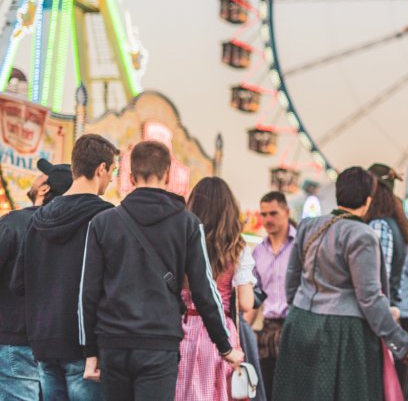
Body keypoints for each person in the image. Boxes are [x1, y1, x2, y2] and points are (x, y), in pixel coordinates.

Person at [78, 140, 243, 400]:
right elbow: (203, 289)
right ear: (168, 175)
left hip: (113, 341)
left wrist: (90, 352)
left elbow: (88, 293)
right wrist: (225, 347)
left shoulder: (103, 222)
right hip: (159, 343)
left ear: (131, 176)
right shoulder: (188, 224)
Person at [274, 167, 408, 400]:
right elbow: (370, 299)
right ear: (368, 200)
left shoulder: (308, 225)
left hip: (299, 324)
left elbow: (291, 279)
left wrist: (299, 310)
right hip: (342, 333)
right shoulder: (362, 234)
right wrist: (402, 344)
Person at [14, 134, 117, 401]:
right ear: (101, 169)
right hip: (85, 345)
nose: (111, 179)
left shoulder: (37, 220)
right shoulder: (106, 218)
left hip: (44, 341)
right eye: (112, 171)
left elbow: (19, 282)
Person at [175, 177, 256, 400]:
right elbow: (246, 303)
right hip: (220, 334)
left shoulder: (181, 241)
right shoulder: (236, 248)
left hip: (181, 327)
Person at [0, 160, 73, 400]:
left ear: (44, 189)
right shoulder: (77, 229)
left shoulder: (13, 223)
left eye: (41, 177)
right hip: (57, 344)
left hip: (14, 338)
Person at [253, 191, 296, 399]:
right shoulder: (258, 252)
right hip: (268, 332)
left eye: (273, 213)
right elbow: (255, 297)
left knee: (293, 391)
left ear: (287, 212)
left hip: (295, 327)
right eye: (264, 214)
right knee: (266, 390)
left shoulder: (301, 246)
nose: (268, 219)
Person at [366, 163, 408, 308]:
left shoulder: (379, 225)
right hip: (391, 308)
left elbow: (377, 282)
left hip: (380, 311)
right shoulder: (395, 223)